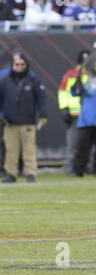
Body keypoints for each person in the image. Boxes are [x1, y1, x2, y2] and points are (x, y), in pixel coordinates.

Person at [0, 53, 47, 183]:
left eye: (22, 64)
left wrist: (42, 115)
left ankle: (30, 173)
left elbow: (41, 99)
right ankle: (11, 173)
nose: (19, 66)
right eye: (17, 64)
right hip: (9, 123)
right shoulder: (4, 81)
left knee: (29, 150)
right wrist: (1, 116)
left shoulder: (33, 80)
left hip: (28, 122)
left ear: (26, 66)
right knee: (11, 150)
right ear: (12, 65)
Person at [58, 50, 90, 175]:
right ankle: (70, 168)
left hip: (89, 115)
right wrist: (65, 108)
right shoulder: (71, 75)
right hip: (76, 114)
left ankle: (85, 168)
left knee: (86, 144)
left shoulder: (94, 74)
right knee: (73, 144)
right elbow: (62, 92)